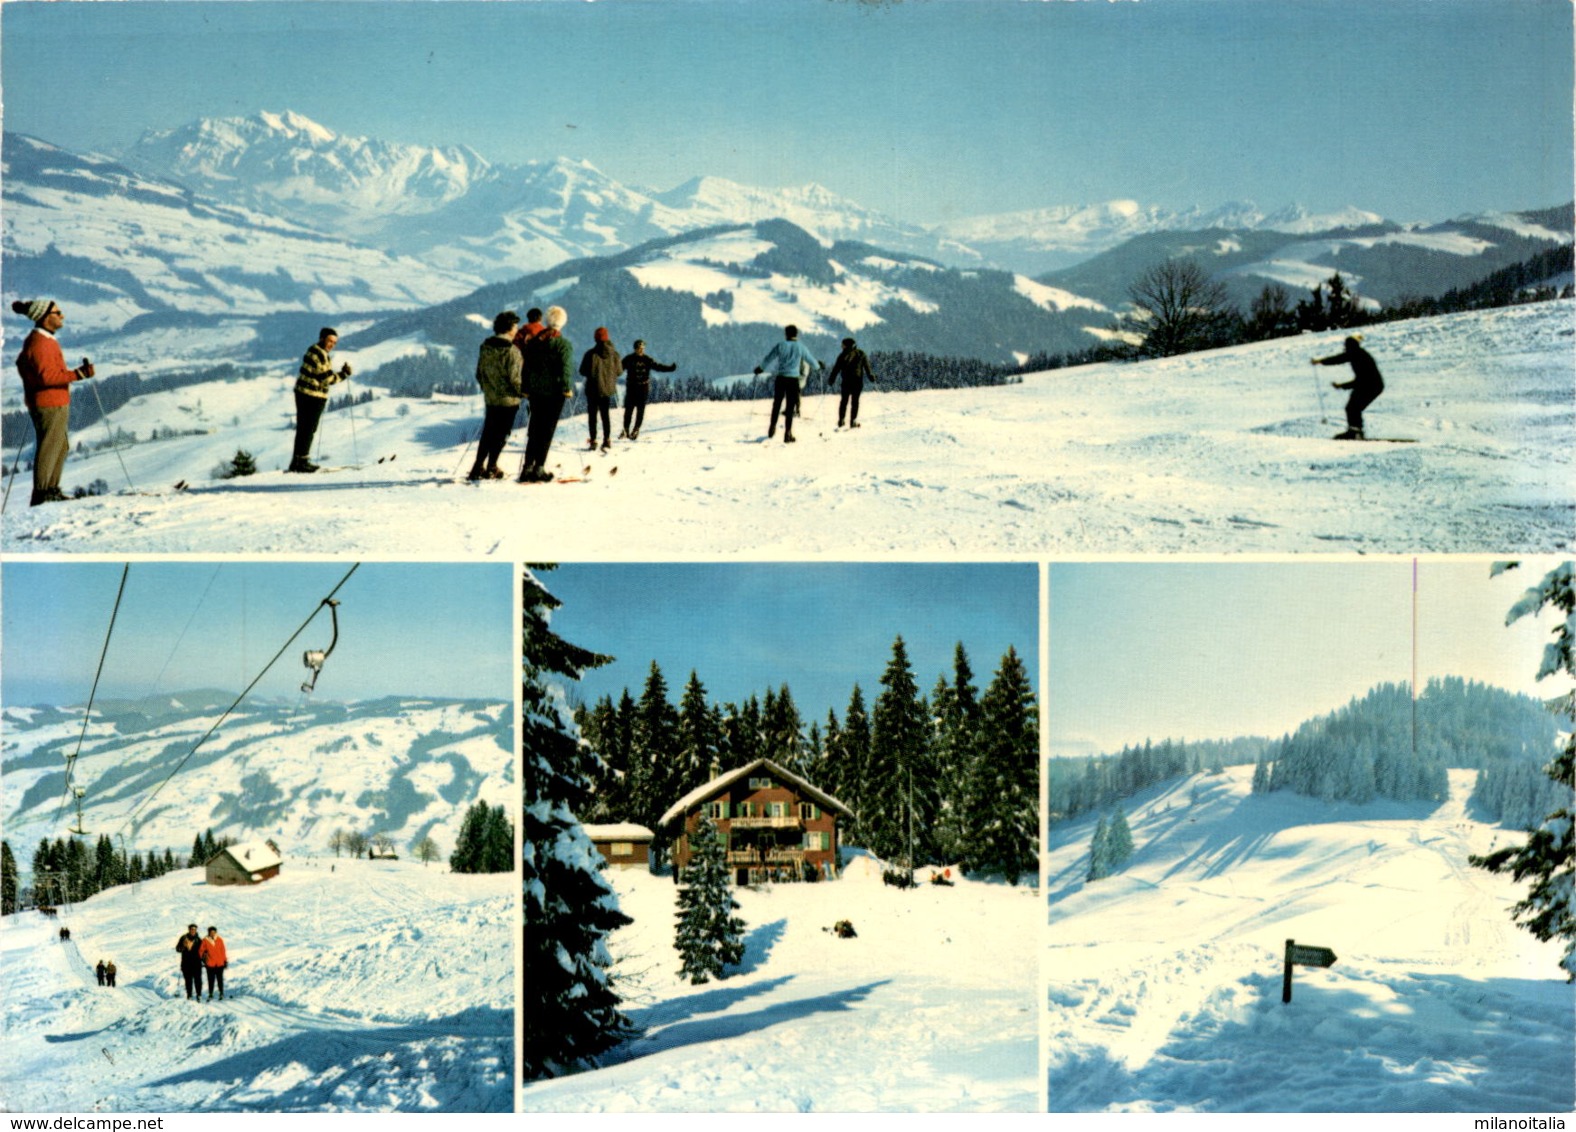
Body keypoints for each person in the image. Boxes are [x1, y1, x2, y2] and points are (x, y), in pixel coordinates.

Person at [10, 299, 95, 506]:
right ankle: (42, 493)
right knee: (50, 445)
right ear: (45, 317)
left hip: (52, 401)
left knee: (60, 445)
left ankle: (50, 489)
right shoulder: (41, 343)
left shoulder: (42, 340)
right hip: (49, 403)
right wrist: (78, 374)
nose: (61, 316)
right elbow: (48, 377)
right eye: (57, 313)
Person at [518, 306, 573, 483]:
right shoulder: (563, 344)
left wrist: (525, 387)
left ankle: (527, 467)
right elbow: (565, 369)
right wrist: (566, 387)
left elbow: (526, 367)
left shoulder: (534, 343)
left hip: (535, 391)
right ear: (562, 323)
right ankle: (539, 467)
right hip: (555, 393)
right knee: (547, 430)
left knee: (534, 428)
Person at [469, 311, 524, 480]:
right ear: (509, 328)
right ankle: (492, 465)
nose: (517, 329)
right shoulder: (512, 351)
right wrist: (524, 392)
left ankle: (478, 466)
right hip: (508, 400)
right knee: (501, 434)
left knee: (488, 432)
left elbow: (479, 373)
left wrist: (488, 388)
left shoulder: (485, 347)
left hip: (491, 398)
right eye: (515, 325)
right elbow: (515, 379)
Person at [290, 327, 353, 472]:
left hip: (304, 393)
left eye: (334, 342)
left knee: (304, 428)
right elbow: (327, 379)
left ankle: (297, 461)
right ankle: (302, 461)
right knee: (308, 428)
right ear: (322, 338)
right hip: (311, 395)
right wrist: (344, 374)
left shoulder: (316, 351)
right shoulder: (319, 354)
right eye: (330, 341)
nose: (332, 344)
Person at [753, 325, 824, 444]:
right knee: (790, 407)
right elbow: (811, 360)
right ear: (796, 334)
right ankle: (788, 433)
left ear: (786, 334)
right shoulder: (801, 347)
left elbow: (768, 358)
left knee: (777, 404)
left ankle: (772, 427)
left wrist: (760, 368)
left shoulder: (780, 345)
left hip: (781, 378)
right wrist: (818, 366)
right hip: (793, 380)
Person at [1312, 333, 1384, 440]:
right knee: (1353, 407)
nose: (1345, 348)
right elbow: (1341, 359)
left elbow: (1360, 378)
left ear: (1351, 345)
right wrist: (1321, 362)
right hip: (1370, 384)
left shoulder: (1357, 354)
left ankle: (1355, 433)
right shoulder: (1357, 353)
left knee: (1353, 407)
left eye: (1346, 345)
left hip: (1370, 385)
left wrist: (1342, 385)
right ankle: (1356, 432)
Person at [620, 340, 676, 440]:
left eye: (642, 349)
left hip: (643, 388)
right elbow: (618, 369)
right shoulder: (628, 359)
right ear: (635, 349)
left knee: (640, 410)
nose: (640, 351)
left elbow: (658, 367)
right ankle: (625, 429)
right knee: (629, 410)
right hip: (631, 388)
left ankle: (636, 429)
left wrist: (670, 368)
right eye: (639, 349)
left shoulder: (647, 359)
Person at [579, 328, 622, 452]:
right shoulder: (614, 354)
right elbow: (619, 372)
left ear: (595, 338)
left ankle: (593, 440)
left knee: (592, 416)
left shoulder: (590, 354)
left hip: (593, 389)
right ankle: (607, 439)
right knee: (605, 415)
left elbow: (582, 371)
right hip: (607, 389)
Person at [827, 337, 878, 429]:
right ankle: (853, 421)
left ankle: (841, 420)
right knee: (855, 402)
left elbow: (836, 369)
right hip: (857, 381)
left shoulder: (842, 355)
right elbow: (867, 367)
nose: (841, 346)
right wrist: (871, 377)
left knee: (844, 401)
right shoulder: (861, 354)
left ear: (846, 345)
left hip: (846, 381)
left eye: (842, 345)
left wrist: (831, 379)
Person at [176, 921, 204, 1000]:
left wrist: (206, 962)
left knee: (198, 980)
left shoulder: (199, 940)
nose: (193, 931)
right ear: (189, 929)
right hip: (186, 964)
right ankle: (189, 995)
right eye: (191, 929)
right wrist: (183, 947)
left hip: (197, 964)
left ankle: (199, 995)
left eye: (194, 929)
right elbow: (178, 949)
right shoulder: (183, 938)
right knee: (188, 981)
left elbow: (203, 953)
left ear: (196, 930)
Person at [199, 925, 228, 1000]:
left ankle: (221, 993)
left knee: (220, 979)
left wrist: (225, 960)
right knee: (211, 979)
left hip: (219, 963)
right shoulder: (205, 940)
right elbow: (200, 951)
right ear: (208, 933)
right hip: (210, 964)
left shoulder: (219, 939)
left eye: (214, 932)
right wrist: (203, 957)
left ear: (216, 932)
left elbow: (223, 951)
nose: (212, 934)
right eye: (211, 932)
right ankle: (211, 993)